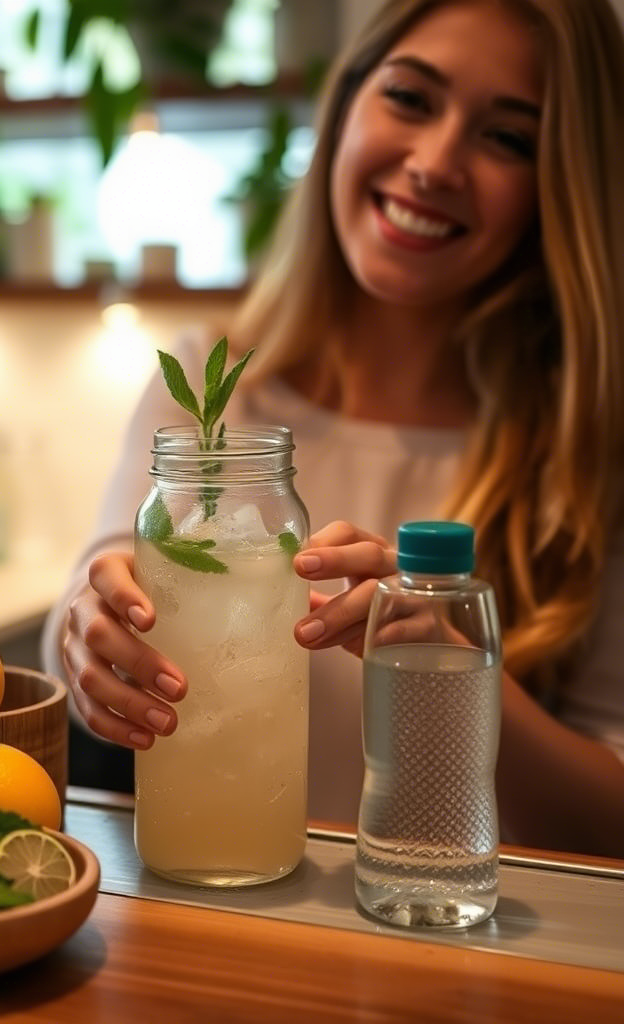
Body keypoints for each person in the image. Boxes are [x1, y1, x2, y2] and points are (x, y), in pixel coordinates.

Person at [42, 0, 624, 857]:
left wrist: (458, 669)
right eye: (410, 99)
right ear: (347, 103)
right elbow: (85, 620)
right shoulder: (211, 388)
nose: (433, 164)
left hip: (463, 943)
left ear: (559, 183)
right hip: (212, 911)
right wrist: (90, 644)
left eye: (507, 138)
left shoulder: (593, 440)